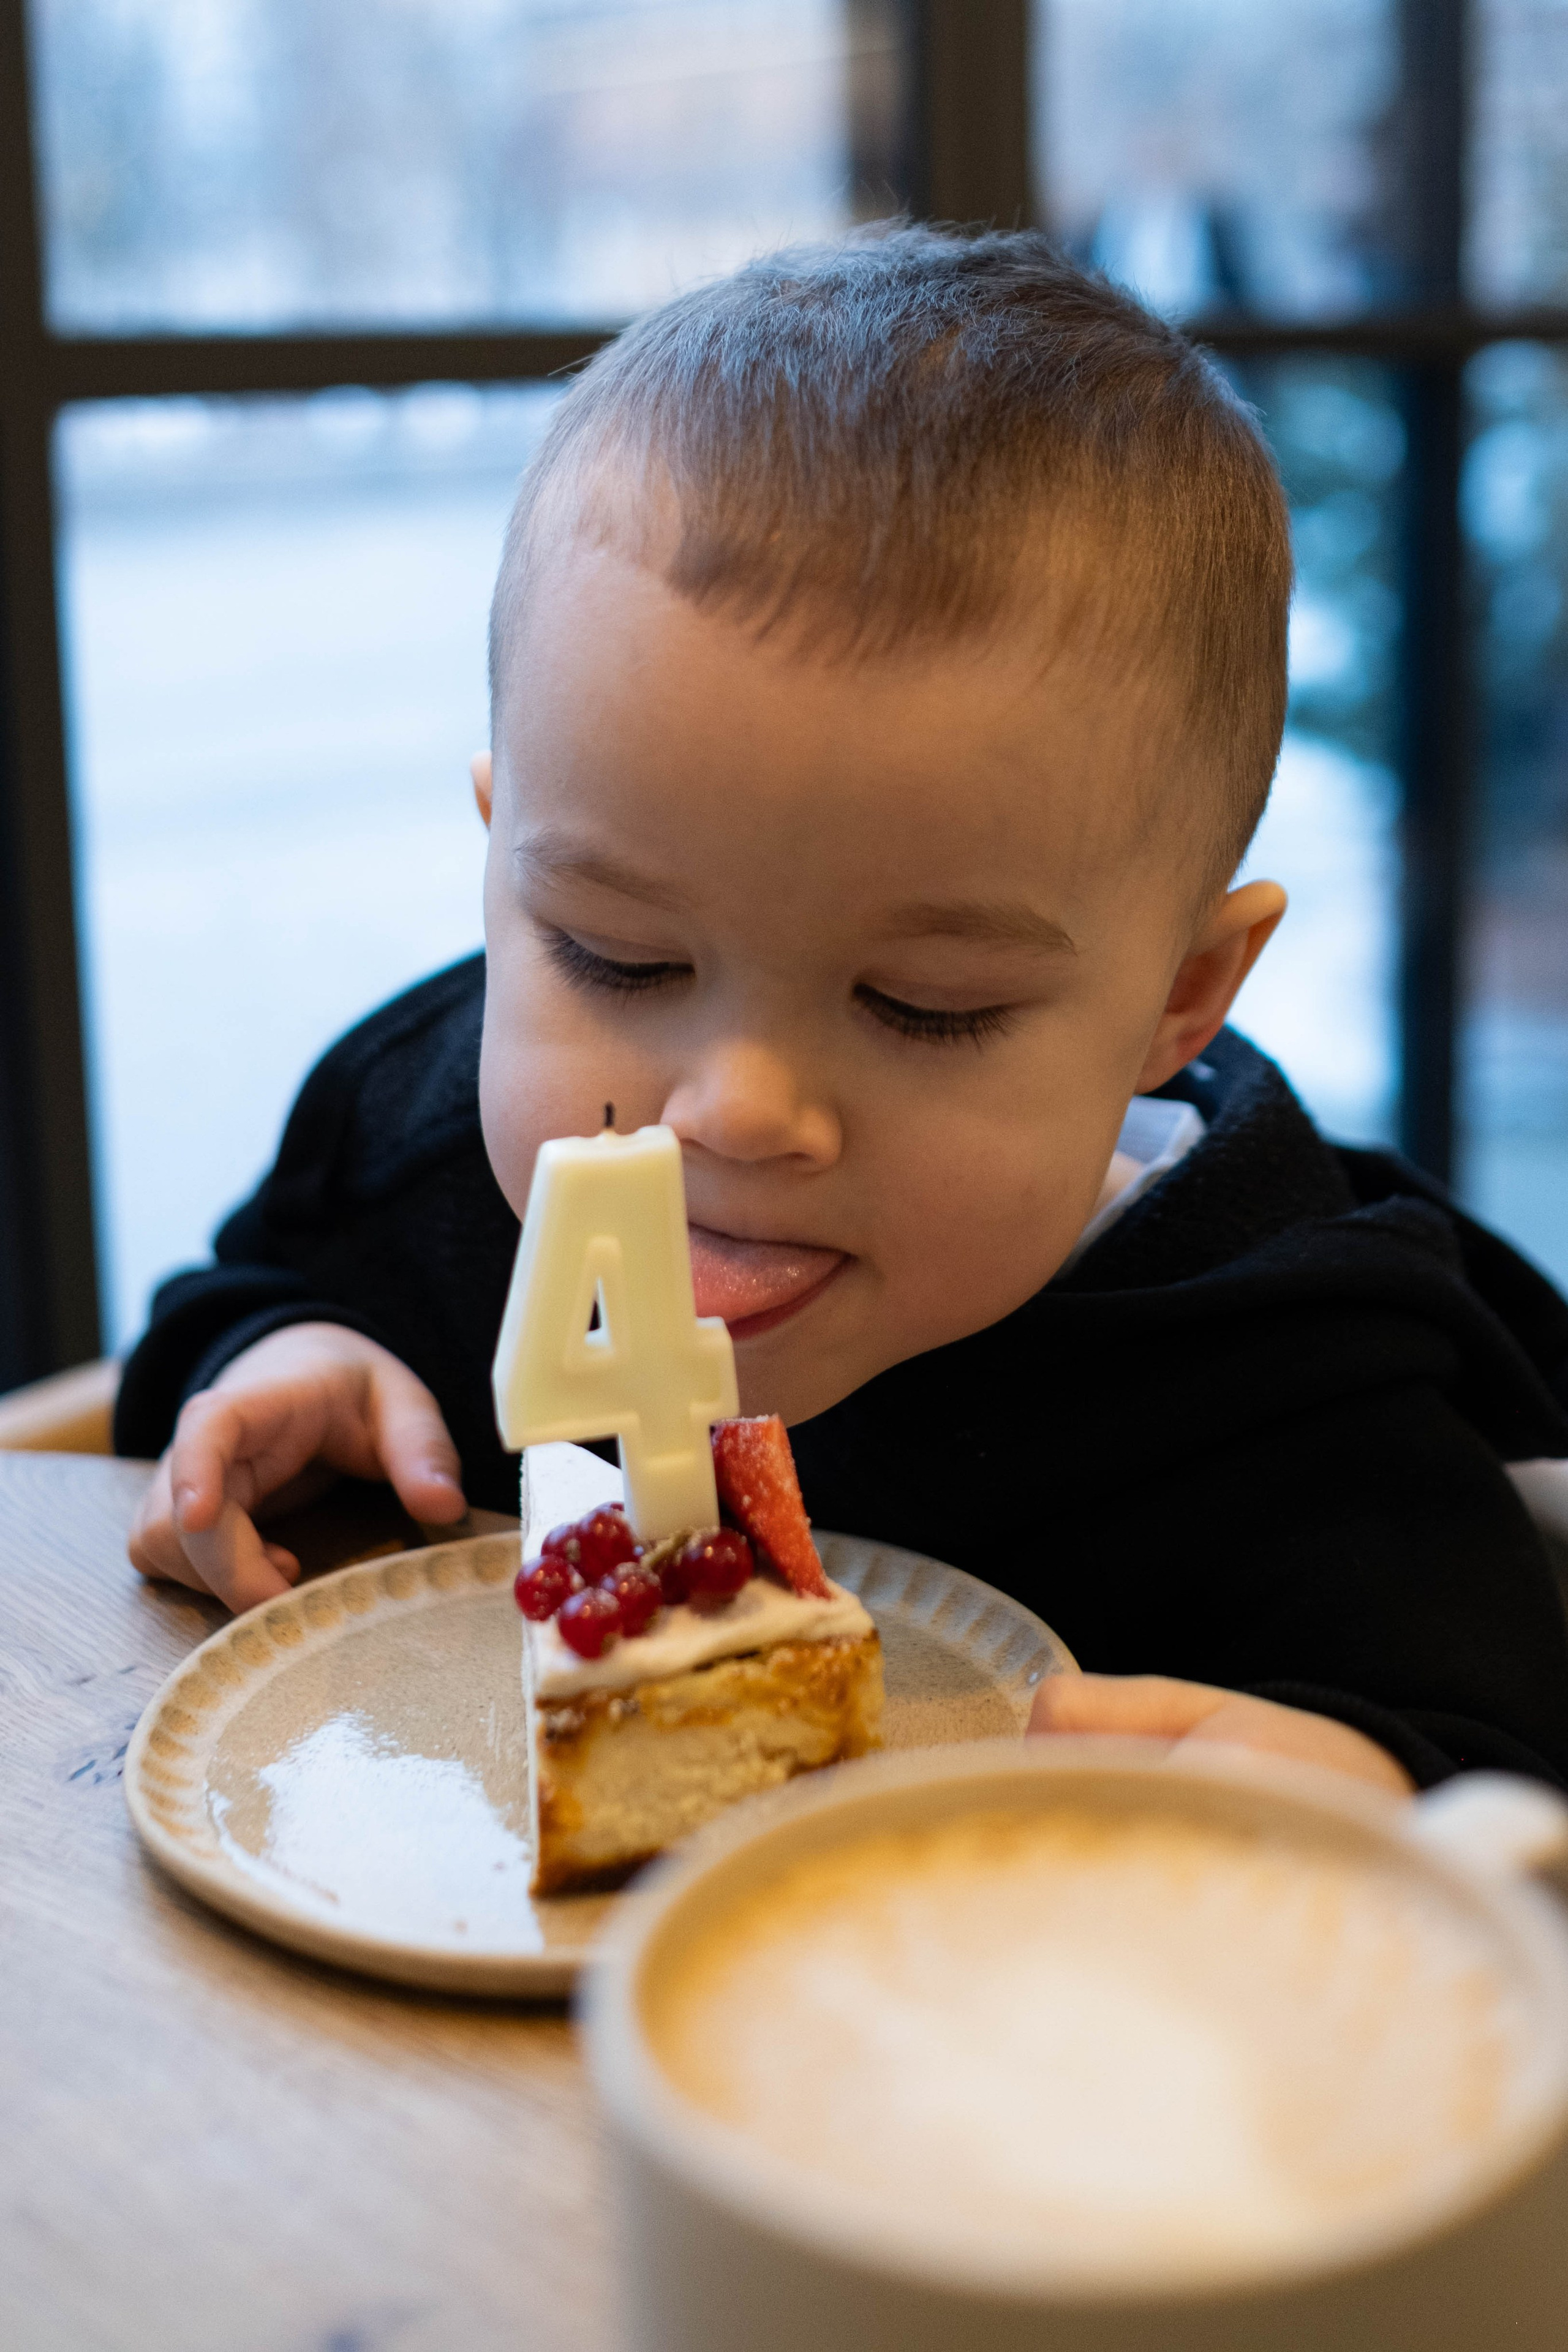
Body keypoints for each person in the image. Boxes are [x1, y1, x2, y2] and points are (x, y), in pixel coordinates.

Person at [115, 227, 1568, 1797]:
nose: (731, 1109)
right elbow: (197, 1339)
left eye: (921, 1005)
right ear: (499, 868)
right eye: (617, 957)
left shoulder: (1298, 1393)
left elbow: (1508, 1801)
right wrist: (280, 1358)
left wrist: (1372, 1795)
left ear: (1177, 1002)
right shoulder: (415, 1156)